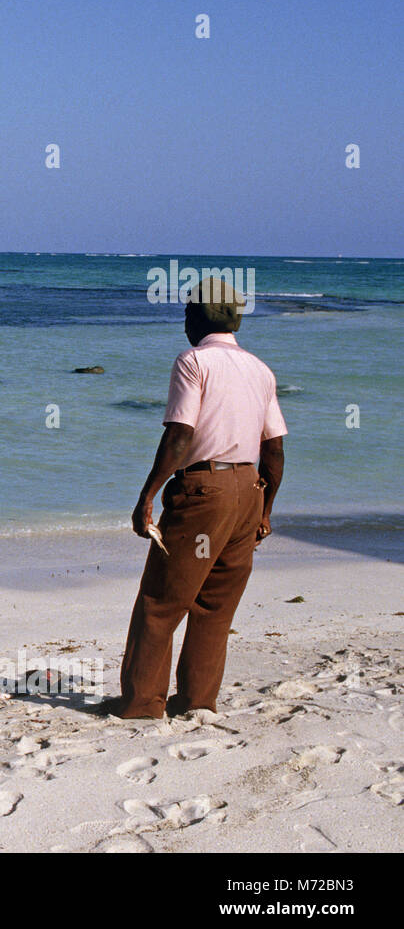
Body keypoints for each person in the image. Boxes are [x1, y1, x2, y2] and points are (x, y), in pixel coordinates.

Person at [107, 277, 286, 719]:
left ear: (199, 316)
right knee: (214, 606)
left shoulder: (193, 361)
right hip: (248, 492)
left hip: (205, 490)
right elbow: (275, 448)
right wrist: (265, 509)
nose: (185, 319)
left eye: (188, 311)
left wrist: (147, 494)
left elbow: (180, 434)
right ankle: (196, 700)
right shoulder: (260, 370)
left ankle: (142, 703)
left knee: (161, 602)